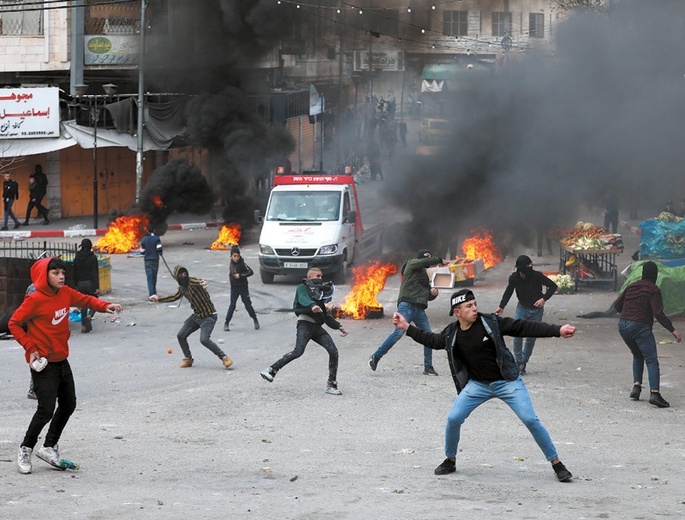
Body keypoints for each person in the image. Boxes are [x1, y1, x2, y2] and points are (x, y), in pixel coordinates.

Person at [394, 288, 575, 481]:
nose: (474, 309)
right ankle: (450, 459)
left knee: (530, 419)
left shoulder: (491, 323)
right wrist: (406, 327)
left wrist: (558, 330)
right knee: (453, 419)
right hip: (478, 385)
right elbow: (432, 340)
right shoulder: (452, 333)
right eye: (469, 306)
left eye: (475, 304)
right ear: (457, 312)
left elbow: (523, 327)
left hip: (507, 382)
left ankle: (557, 464)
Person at [8, 257, 122, 474]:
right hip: (43, 362)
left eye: (62, 272)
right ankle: (26, 449)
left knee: (69, 404)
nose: (61, 276)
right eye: (55, 273)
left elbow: (86, 300)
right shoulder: (35, 299)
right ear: (45, 275)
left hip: (61, 359)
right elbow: (14, 323)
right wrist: (31, 348)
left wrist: (106, 305)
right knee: (45, 410)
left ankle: (49, 447)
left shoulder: (66, 293)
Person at [260, 267, 348, 395]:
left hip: (317, 328)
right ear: (310, 277)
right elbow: (303, 299)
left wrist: (338, 326)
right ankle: (271, 370)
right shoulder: (302, 287)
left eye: (321, 276)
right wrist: (312, 306)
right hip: (305, 324)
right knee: (298, 351)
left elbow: (325, 315)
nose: (320, 278)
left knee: (333, 351)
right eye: (317, 276)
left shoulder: (318, 293)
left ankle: (331, 385)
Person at [612, 261, 681, 408]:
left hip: (623, 325)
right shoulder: (653, 289)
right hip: (639, 326)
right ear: (654, 275)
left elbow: (617, 305)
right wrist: (672, 330)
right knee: (652, 360)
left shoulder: (632, 285)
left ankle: (636, 387)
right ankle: (655, 393)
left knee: (638, 355)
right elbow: (658, 312)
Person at [369, 249, 445, 376]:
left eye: (429, 258)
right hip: (407, 305)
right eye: (426, 258)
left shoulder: (424, 276)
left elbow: (427, 295)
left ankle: (428, 367)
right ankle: (376, 357)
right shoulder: (411, 263)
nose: (427, 260)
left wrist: (433, 294)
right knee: (398, 333)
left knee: (428, 336)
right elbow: (423, 262)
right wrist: (440, 260)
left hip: (419, 309)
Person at [152, 265, 232, 369]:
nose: (183, 276)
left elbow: (199, 282)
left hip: (209, 316)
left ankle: (224, 357)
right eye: (180, 275)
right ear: (177, 277)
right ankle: (188, 359)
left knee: (204, 339)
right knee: (181, 335)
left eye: (185, 273)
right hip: (197, 316)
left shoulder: (192, 281)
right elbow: (174, 297)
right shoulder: (182, 288)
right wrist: (159, 299)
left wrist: (203, 282)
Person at [494, 255, 557, 374]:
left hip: (536, 310)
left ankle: (524, 361)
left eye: (530, 265)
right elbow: (508, 291)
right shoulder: (514, 278)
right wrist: (501, 306)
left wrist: (544, 299)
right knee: (517, 334)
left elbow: (553, 286)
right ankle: (518, 361)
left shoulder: (537, 276)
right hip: (522, 308)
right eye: (527, 266)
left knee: (531, 337)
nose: (530, 268)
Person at [223, 245, 260, 332]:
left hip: (243, 287)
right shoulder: (231, 263)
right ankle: (226, 322)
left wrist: (240, 275)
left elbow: (250, 272)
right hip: (234, 287)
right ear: (231, 256)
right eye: (234, 256)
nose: (236, 258)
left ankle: (255, 319)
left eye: (238, 256)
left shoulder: (242, 263)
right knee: (232, 305)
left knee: (247, 304)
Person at [72, 238, 100, 333]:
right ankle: (89, 316)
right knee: (95, 300)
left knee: (84, 303)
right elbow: (94, 272)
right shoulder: (92, 258)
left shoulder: (77, 257)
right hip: (90, 283)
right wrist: (96, 287)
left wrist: (75, 284)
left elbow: (74, 272)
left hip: (80, 283)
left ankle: (84, 326)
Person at [140, 227, 162, 300]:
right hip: (155, 260)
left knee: (149, 277)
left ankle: (151, 293)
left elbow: (142, 251)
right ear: (154, 230)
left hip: (147, 260)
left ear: (147, 230)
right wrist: (160, 253)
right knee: (154, 276)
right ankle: (154, 291)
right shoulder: (156, 238)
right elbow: (159, 248)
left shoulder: (144, 239)